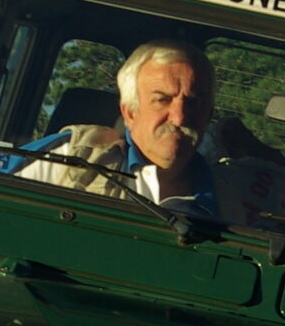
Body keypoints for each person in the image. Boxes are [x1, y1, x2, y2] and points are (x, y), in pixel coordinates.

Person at [17, 40, 219, 216]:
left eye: (193, 102)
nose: (178, 117)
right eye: (162, 100)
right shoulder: (74, 157)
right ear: (130, 112)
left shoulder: (233, 196)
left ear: (208, 115)